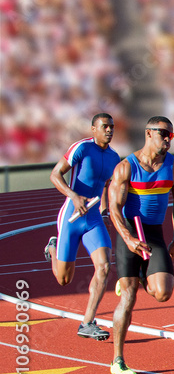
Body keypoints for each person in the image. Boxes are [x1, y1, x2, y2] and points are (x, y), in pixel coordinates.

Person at [106, 116, 174, 374]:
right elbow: (113, 208)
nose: (167, 139)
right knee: (128, 297)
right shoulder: (125, 168)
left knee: (163, 293)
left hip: (153, 234)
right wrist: (128, 238)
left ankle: (142, 275)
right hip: (130, 231)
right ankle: (118, 360)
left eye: (171, 135)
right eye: (163, 133)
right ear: (148, 133)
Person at [43, 113, 119, 340]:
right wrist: (74, 196)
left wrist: (105, 211)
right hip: (71, 218)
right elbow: (55, 175)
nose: (109, 130)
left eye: (111, 127)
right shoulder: (82, 148)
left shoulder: (115, 157)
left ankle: (87, 322)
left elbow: (107, 186)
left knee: (104, 266)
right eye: (104, 126)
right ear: (93, 129)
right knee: (63, 279)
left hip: (93, 218)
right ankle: (53, 248)